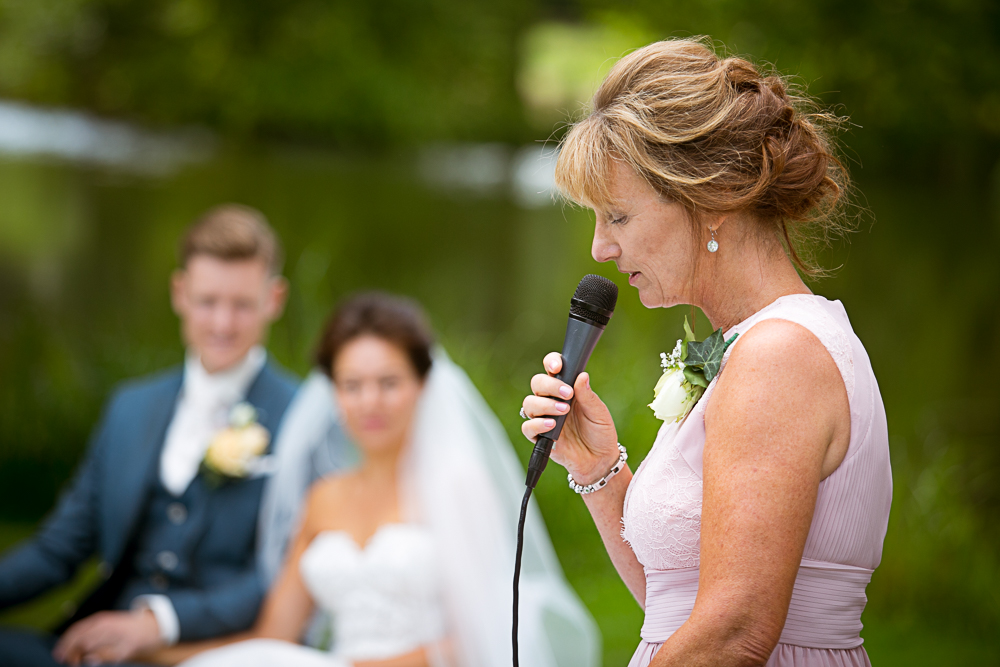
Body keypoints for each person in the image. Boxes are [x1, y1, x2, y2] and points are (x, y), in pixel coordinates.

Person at [520, 38, 891, 666]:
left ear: (711, 198)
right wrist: (598, 470)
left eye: (617, 217)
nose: (599, 249)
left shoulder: (781, 357)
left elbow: (735, 631)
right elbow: (679, 611)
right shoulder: (755, 343)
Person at [146, 292, 599, 667]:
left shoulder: (458, 487)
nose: (369, 403)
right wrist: (157, 652)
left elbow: (480, 636)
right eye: (352, 385)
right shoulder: (323, 498)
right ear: (333, 393)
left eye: (388, 383)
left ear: (422, 386)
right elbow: (274, 638)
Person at [0, 205, 300, 667]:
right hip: (95, 650)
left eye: (242, 305)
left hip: (216, 655)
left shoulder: (302, 418)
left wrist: (159, 622)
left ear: (274, 299)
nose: (223, 324)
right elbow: (60, 548)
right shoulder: (130, 408)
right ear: (179, 293)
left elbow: (283, 573)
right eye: (207, 302)